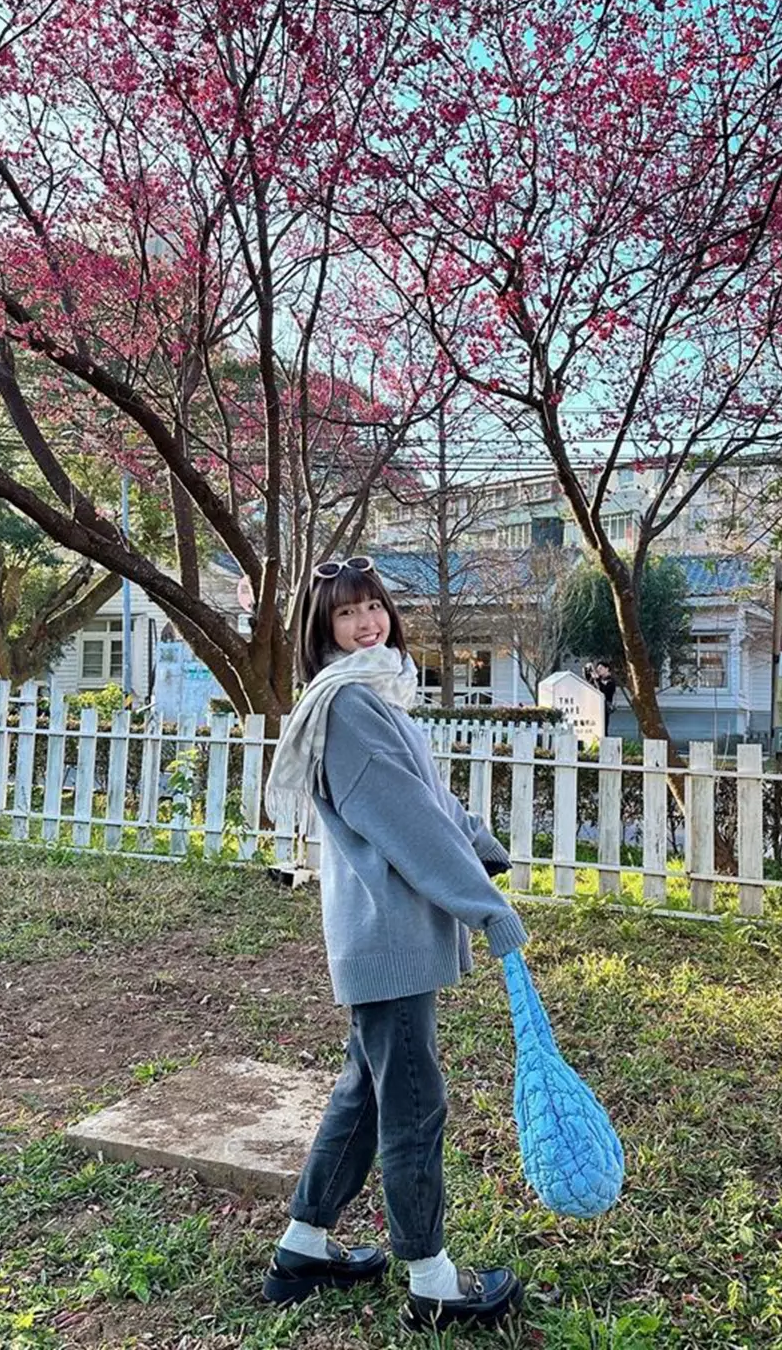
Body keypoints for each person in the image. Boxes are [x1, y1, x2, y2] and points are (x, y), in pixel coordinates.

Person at [259, 556, 528, 1331]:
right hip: (386, 932)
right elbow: (408, 823)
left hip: (384, 930)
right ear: (323, 631)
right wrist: (484, 908)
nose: (365, 622)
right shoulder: (347, 704)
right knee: (412, 1101)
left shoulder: (375, 697)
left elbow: (429, 800)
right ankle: (433, 1283)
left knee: (369, 1092)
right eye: (345, 614)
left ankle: (304, 1248)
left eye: (372, 606)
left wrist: (480, 844)